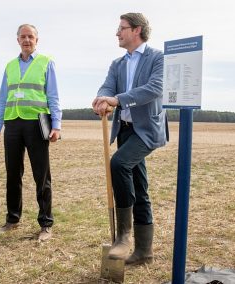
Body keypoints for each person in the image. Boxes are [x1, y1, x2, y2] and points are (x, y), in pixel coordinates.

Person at [92, 13, 168, 265]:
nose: (117, 33)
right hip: (124, 129)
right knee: (140, 188)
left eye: (121, 28)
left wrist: (118, 99)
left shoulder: (157, 58)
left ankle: (123, 236)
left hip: (146, 130)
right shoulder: (118, 63)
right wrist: (102, 99)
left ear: (136, 30)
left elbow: (155, 88)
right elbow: (107, 87)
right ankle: (144, 252)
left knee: (119, 164)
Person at [0, 24, 62, 242]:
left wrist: (57, 125)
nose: (27, 40)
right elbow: (3, 99)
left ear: (37, 40)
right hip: (12, 124)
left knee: (41, 176)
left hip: (36, 124)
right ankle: (12, 219)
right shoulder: (10, 66)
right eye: (23, 36)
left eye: (30, 36)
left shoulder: (46, 63)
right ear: (17, 40)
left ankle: (46, 224)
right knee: (13, 174)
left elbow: (53, 96)